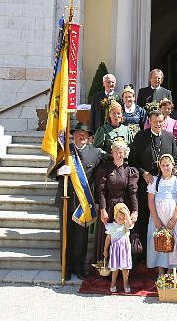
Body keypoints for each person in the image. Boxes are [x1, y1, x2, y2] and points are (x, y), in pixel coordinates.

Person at [47, 122, 104, 280]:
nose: (82, 136)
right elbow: (50, 172)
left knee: (81, 237)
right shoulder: (64, 151)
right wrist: (59, 171)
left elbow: (101, 174)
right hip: (66, 198)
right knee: (66, 234)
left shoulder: (95, 153)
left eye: (85, 134)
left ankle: (79, 266)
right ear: (74, 135)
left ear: (89, 137)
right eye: (79, 133)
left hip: (83, 201)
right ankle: (65, 266)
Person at [128, 110, 177, 251]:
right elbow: (132, 160)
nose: (158, 124)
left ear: (164, 122)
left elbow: (176, 160)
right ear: (149, 121)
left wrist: (169, 175)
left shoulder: (169, 137)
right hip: (146, 185)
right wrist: (144, 173)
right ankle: (145, 252)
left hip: (165, 188)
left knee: (164, 217)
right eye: (155, 121)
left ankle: (166, 249)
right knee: (145, 217)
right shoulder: (141, 136)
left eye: (160, 122)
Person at [146, 154, 177, 273]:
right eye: (163, 166)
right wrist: (156, 219)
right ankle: (161, 269)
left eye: (168, 165)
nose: (166, 168)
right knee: (159, 241)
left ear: (172, 165)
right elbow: (151, 201)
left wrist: (173, 219)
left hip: (174, 217)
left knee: (174, 242)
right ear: (160, 167)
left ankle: (172, 269)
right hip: (158, 216)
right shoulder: (155, 181)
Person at [93, 141, 139, 263]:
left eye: (121, 152)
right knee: (108, 236)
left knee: (123, 238)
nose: (119, 155)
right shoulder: (105, 169)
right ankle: (106, 266)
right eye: (116, 152)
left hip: (124, 207)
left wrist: (134, 211)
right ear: (112, 153)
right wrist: (102, 210)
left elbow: (132, 192)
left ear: (125, 154)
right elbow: (102, 191)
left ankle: (122, 267)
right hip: (108, 207)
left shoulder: (129, 171)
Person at [104, 203, 134, 293]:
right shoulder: (111, 226)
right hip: (115, 251)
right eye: (119, 218)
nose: (121, 220)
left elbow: (130, 224)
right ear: (115, 216)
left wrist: (126, 214)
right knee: (115, 269)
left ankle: (126, 283)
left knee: (125, 269)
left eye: (123, 218)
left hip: (124, 250)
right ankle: (113, 283)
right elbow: (108, 238)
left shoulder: (126, 226)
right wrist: (105, 249)